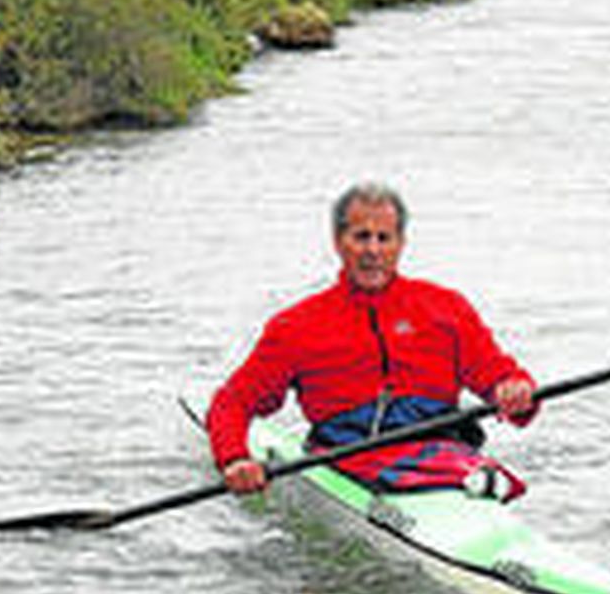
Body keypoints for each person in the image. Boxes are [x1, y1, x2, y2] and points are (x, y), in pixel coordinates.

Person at [207, 182, 537, 499]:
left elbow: (498, 375)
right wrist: (234, 458)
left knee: (485, 476)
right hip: (349, 456)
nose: (373, 251)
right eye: (361, 237)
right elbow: (231, 403)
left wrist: (516, 391)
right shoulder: (295, 326)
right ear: (338, 242)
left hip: (445, 450)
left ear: (401, 244)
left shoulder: (446, 307)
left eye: (384, 238)